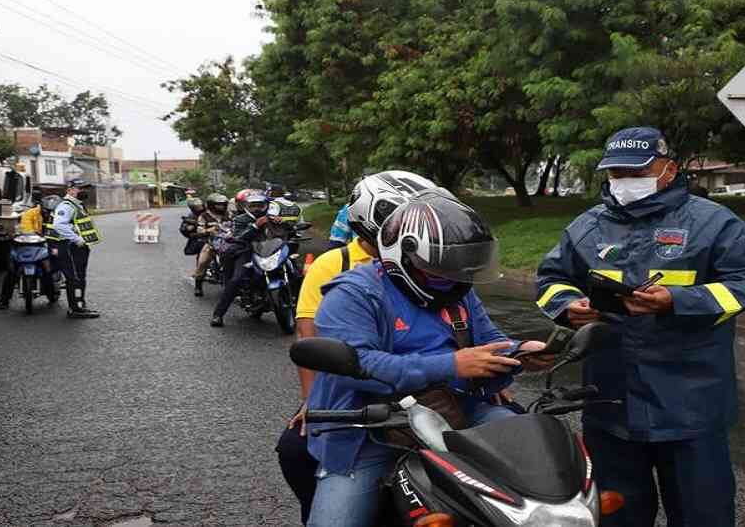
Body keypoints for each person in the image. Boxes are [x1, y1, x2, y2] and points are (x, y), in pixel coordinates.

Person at [535, 126, 745, 527]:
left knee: (703, 515)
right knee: (617, 515)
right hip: (610, 402)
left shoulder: (712, 223)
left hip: (691, 403)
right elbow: (550, 279)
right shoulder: (586, 227)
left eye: (636, 173)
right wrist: (566, 306)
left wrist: (678, 301)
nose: (626, 183)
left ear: (668, 170)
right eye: (617, 175)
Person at [305, 191, 553, 527]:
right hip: (370, 430)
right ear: (401, 257)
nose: (454, 280)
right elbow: (356, 366)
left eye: (461, 270)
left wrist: (520, 352)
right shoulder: (352, 294)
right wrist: (452, 365)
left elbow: (490, 341)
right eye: (442, 270)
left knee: (540, 476)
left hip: (459, 412)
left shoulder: (457, 290)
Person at [278, 171, 437, 525]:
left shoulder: (435, 267)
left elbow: (473, 332)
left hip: (433, 395)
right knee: (295, 448)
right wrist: (313, 402)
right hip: (354, 397)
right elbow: (309, 337)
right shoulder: (335, 267)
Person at [210, 192, 270, 326]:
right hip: (246, 251)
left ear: (266, 206)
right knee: (236, 279)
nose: (257, 209)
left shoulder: (272, 217)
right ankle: (218, 315)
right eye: (253, 206)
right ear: (247, 207)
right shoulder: (240, 219)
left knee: (293, 268)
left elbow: (284, 232)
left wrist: (283, 223)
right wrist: (255, 226)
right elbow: (239, 236)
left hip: (269, 251)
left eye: (260, 206)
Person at [0, 191, 57, 309]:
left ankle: (52, 292)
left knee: (49, 270)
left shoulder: (59, 215)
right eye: (46, 211)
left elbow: (60, 230)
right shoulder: (29, 214)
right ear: (41, 207)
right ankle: (3, 300)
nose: (48, 214)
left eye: (50, 212)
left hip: (47, 245)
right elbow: (26, 231)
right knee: (11, 272)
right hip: (30, 245)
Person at [53, 178, 102, 319]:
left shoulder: (77, 205)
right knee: (74, 277)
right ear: (70, 190)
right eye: (80, 188)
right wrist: (77, 239)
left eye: (86, 188)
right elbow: (59, 225)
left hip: (78, 248)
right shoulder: (66, 205)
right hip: (70, 247)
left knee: (79, 276)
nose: (84, 191)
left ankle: (79, 305)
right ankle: (75, 309)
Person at [192, 193, 229, 297]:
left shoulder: (229, 214)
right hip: (211, 242)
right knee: (203, 262)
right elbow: (200, 230)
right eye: (218, 205)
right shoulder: (204, 216)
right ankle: (198, 285)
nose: (221, 207)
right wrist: (209, 230)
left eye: (223, 204)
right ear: (211, 205)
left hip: (228, 242)